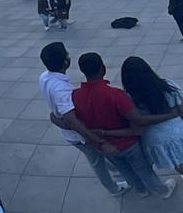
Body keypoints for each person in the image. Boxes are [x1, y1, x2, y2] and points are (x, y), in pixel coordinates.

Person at [69, 53, 170, 195]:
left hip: (103, 145)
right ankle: (162, 191)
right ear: (103, 68)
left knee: (124, 170)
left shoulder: (75, 96)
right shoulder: (115, 94)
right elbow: (138, 121)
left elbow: (73, 120)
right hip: (128, 144)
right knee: (143, 169)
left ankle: (141, 190)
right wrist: (170, 115)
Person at [39, 43, 129, 197]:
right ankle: (113, 189)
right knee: (97, 162)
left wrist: (54, 117)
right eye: (67, 54)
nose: (69, 56)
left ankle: (118, 172)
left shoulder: (44, 77)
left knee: (98, 155)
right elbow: (71, 121)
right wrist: (100, 141)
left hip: (74, 133)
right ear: (65, 62)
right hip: (80, 136)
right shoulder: (61, 90)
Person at [120, 56, 183, 188]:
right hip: (177, 129)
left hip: (155, 137)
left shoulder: (130, 97)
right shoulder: (168, 86)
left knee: (175, 161)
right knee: (181, 152)